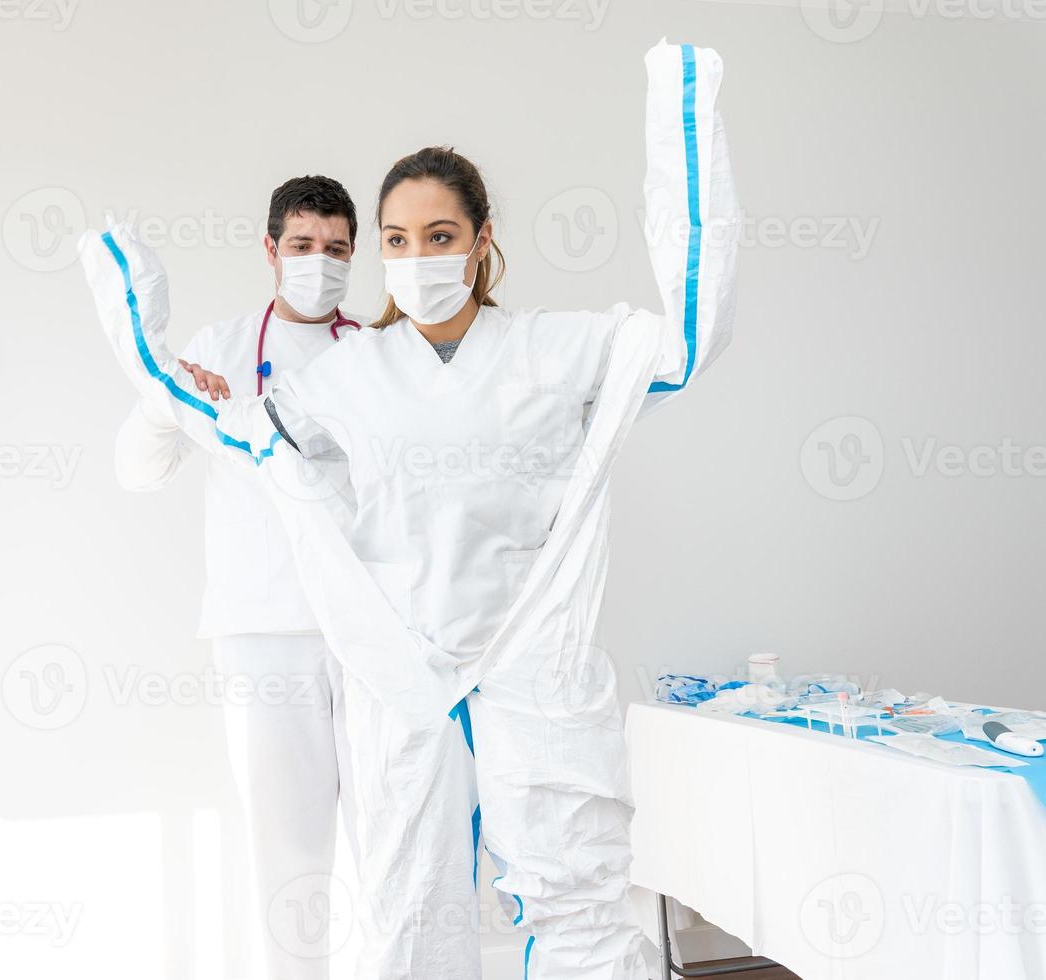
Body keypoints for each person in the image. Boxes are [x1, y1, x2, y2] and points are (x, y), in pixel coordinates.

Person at [82, 39, 738, 980]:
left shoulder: (555, 349)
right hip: (402, 676)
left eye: (439, 236)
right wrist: (152, 364)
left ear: (481, 241)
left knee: (578, 899)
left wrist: (681, 120)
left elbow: (678, 344)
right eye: (397, 240)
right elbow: (244, 438)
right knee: (407, 906)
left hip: (533, 670)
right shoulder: (353, 375)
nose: (417, 256)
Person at [113, 175, 366, 979]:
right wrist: (165, 401)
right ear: (270, 250)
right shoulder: (220, 348)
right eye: (301, 246)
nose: (317, 263)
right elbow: (135, 472)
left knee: (392, 836)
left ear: (354, 256)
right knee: (287, 850)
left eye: (334, 250)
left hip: (371, 633)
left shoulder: (378, 351)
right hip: (264, 634)